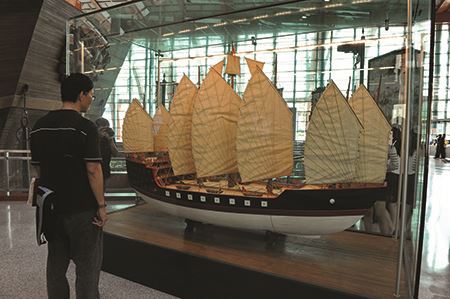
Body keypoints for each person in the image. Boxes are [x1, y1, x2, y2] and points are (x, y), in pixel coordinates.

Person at [30, 73, 107, 299]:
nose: (91, 99)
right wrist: (101, 206)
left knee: (56, 265)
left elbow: (38, 170)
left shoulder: (39, 126)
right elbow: (93, 169)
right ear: (81, 95)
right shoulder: (85, 127)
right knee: (87, 269)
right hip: (83, 211)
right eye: (91, 95)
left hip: (52, 209)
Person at [95, 117, 119, 181]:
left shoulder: (109, 138)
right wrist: (99, 138)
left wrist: (110, 140)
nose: (105, 131)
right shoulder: (93, 137)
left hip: (106, 169)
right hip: (95, 169)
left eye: (106, 129)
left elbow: (115, 154)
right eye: (102, 129)